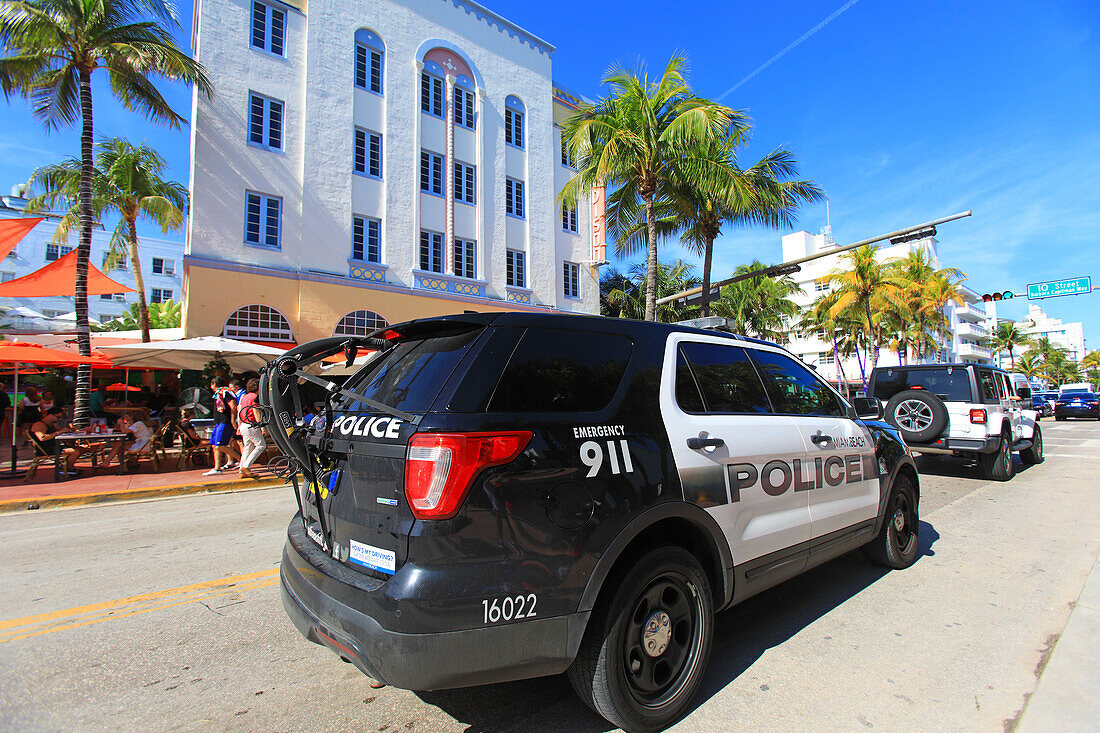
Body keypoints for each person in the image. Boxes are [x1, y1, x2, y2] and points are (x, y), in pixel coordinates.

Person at [30, 407, 85, 475]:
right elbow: (42, 438)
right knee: (76, 451)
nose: (59, 420)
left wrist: (69, 430)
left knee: (81, 449)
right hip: (46, 449)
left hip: (54, 446)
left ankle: (66, 466)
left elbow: (60, 430)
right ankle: (69, 469)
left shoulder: (50, 425)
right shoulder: (39, 425)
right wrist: (59, 432)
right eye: (58, 417)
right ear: (50, 415)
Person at [203, 377, 240, 476]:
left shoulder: (226, 393)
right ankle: (217, 468)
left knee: (220, 446)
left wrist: (233, 420)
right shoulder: (218, 394)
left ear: (214, 384)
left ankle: (241, 460)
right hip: (218, 422)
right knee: (214, 445)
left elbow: (233, 406)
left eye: (211, 384)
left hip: (225, 422)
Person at [236, 378, 266, 478]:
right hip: (251, 424)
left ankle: (242, 470)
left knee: (247, 447)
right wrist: (261, 425)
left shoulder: (244, 397)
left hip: (244, 424)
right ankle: (246, 467)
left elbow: (239, 410)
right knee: (261, 445)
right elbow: (255, 411)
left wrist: (239, 425)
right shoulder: (255, 397)